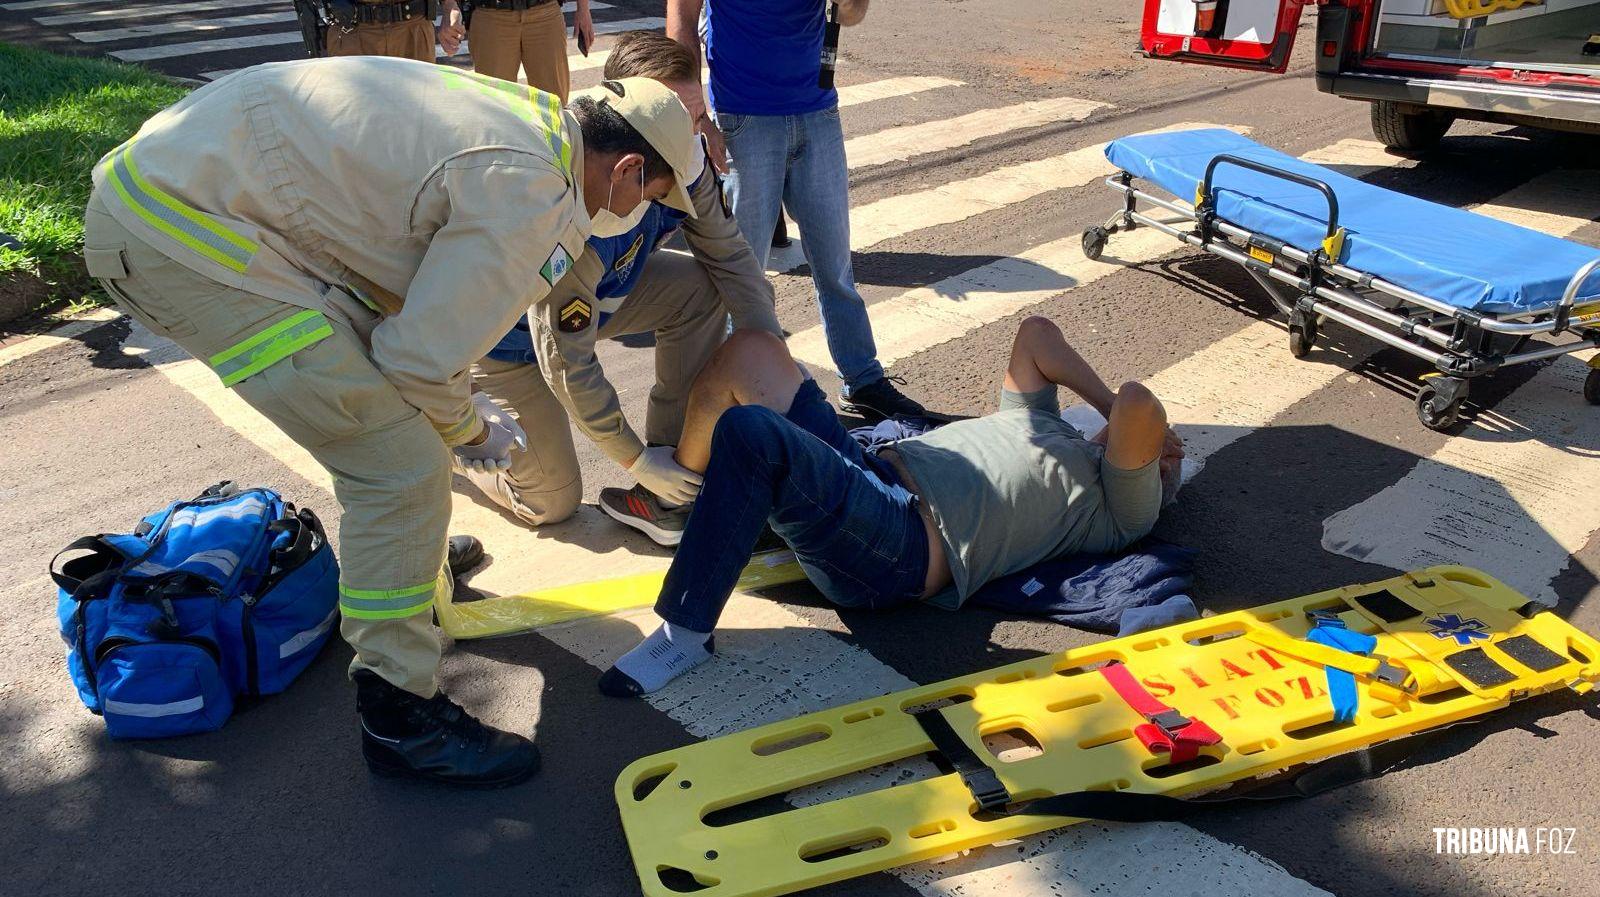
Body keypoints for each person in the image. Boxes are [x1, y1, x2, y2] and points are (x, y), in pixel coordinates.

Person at [83, 58, 700, 784]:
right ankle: (401, 719)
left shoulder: (535, 124)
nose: (647, 212)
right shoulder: (533, 195)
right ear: (626, 168)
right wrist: (470, 430)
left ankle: (414, 557)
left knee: (396, 416)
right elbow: (418, 362)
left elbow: (406, 314)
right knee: (397, 468)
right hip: (189, 236)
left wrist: (449, 409)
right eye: (655, 195)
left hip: (199, 192)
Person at [596, 316, 1186, 696]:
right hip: (871, 471)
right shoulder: (1040, 422)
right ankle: (684, 501)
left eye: (1160, 463)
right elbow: (1035, 335)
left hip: (900, 547)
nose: (1164, 457)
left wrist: (1134, 427)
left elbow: (1138, 404)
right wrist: (1103, 411)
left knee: (754, 433)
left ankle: (685, 633)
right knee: (750, 349)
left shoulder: (1115, 513)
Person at [467, 31, 783, 544]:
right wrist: (634, 458)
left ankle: (675, 478)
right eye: (675, 116)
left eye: (696, 117)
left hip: (603, 297)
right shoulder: (571, 195)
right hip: (508, 341)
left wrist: (774, 358)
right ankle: (454, 430)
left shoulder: (681, 152)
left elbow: (729, 257)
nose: (690, 134)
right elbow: (565, 361)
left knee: (701, 290)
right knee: (552, 500)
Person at [667, 0, 927, 422]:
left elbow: (849, 14)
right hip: (742, 118)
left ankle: (863, 380)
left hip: (818, 111)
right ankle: (739, 391)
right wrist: (696, 115)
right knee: (740, 276)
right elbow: (680, 20)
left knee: (835, 265)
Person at [466, 0, 593, 99]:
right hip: (491, 15)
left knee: (553, 104)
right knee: (496, 104)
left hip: (545, 14)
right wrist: (450, 5)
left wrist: (583, 8)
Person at [325, 0, 466, 60]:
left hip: (413, 31)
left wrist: (450, 5)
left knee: (419, 115)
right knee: (356, 117)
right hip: (352, 31)